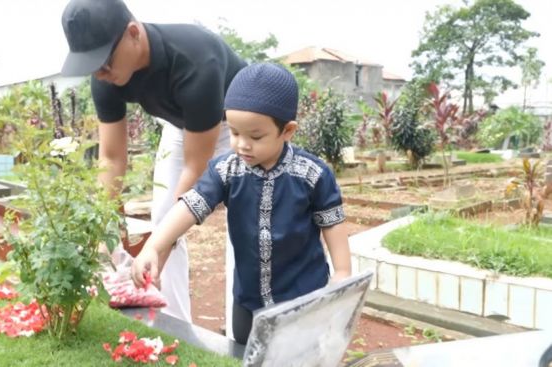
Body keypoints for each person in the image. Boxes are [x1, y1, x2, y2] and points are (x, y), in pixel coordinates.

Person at [131, 63, 352, 344]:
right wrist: (154, 246)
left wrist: (342, 272)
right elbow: (189, 206)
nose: (242, 145)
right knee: (246, 356)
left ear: (287, 131)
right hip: (248, 304)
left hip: (304, 302)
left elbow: (332, 223)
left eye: (255, 136)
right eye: (234, 133)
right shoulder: (227, 170)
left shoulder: (312, 174)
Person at [59, 0, 246, 323]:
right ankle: (173, 324)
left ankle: (240, 338)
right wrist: (100, 228)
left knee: (243, 226)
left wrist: (161, 242)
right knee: (162, 219)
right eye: (92, 67)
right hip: (182, 125)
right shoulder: (105, 78)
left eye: (103, 62)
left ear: (133, 33)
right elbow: (112, 158)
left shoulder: (194, 60)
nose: (99, 74)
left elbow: (195, 166)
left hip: (241, 128)